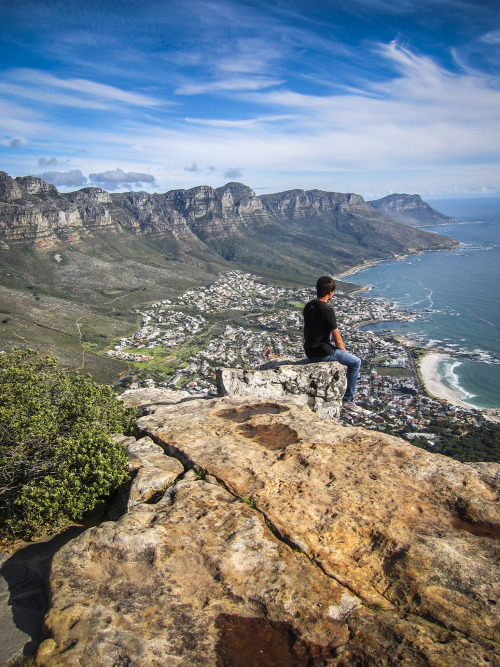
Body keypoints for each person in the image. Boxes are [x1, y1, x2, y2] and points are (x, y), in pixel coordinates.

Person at [303, 275, 362, 411]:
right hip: (321, 353)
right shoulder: (327, 311)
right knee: (356, 362)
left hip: (309, 351)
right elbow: (338, 339)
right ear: (330, 293)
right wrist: (343, 353)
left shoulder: (309, 306)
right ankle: (348, 400)